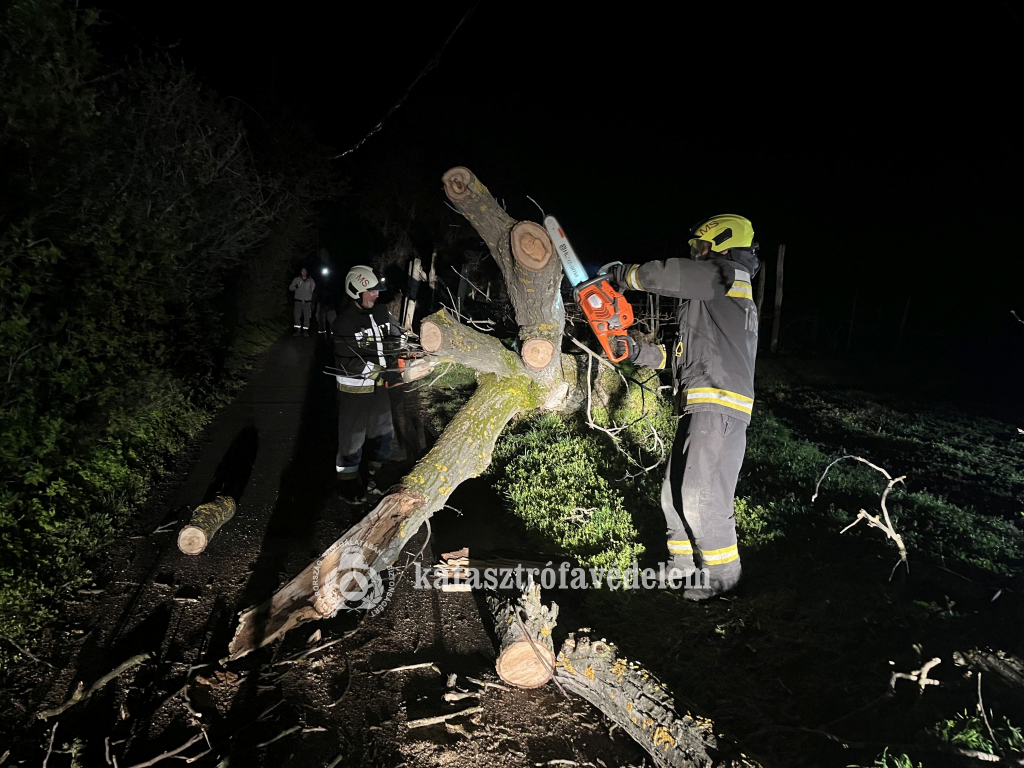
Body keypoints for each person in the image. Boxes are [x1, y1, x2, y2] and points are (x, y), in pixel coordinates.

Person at [603, 215, 759, 600]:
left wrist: (625, 275)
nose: (696, 254)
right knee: (672, 493)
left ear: (720, 244)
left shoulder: (727, 274)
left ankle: (722, 581)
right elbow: (679, 358)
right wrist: (634, 351)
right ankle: (682, 566)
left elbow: (665, 275)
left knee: (701, 496)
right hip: (699, 403)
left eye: (699, 248)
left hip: (721, 402)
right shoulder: (711, 300)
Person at [331, 265, 407, 504]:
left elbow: (397, 336)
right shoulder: (344, 324)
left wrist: (404, 348)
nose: (375, 295)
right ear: (355, 291)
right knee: (352, 441)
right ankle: (348, 485)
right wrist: (384, 374)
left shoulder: (382, 313)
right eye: (370, 291)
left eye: (376, 290)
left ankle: (374, 478)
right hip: (354, 391)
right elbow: (350, 363)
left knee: (383, 435)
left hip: (377, 389)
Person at [289, 267, 315, 336]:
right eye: (302, 271)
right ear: (300, 272)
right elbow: (290, 288)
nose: (303, 272)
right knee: (297, 316)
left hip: (307, 302)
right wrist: (296, 287)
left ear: (307, 272)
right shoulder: (296, 279)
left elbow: (314, 290)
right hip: (298, 302)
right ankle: (297, 331)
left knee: (307, 317)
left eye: (305, 271)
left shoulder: (310, 280)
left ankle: (305, 331)